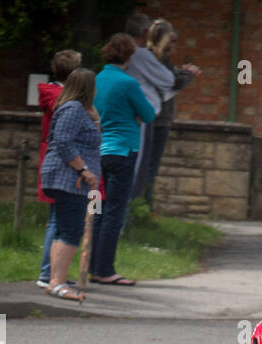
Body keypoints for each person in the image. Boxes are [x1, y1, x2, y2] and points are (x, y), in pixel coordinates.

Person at [90, 33, 155, 287]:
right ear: (129, 56)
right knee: (115, 212)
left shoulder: (96, 79)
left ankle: (91, 265)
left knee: (97, 210)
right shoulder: (128, 84)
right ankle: (104, 270)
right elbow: (148, 114)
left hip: (97, 151)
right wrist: (134, 116)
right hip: (122, 151)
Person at [39, 67, 101, 302]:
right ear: (88, 88)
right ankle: (57, 282)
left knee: (65, 229)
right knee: (71, 230)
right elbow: (63, 141)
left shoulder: (81, 110)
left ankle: (55, 281)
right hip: (69, 179)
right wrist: (83, 169)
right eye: (94, 87)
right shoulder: (73, 109)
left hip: (74, 180)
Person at [132, 19, 199, 205]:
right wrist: (188, 75)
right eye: (171, 40)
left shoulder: (162, 60)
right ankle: (141, 204)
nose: (173, 45)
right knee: (145, 164)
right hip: (152, 118)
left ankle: (145, 204)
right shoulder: (149, 58)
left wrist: (183, 74)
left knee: (150, 164)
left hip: (160, 118)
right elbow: (171, 83)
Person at [36, 49, 81, 290]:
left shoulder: (56, 95)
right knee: (57, 219)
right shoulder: (63, 99)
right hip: (61, 162)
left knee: (57, 217)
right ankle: (48, 272)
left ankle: (53, 271)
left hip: (55, 159)